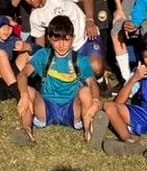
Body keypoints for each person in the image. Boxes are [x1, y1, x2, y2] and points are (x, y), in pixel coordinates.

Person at [12, 16, 101, 147]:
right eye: (56, 40)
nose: (61, 45)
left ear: (73, 38)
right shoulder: (43, 55)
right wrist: (24, 95)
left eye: (66, 40)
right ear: (49, 39)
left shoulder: (80, 59)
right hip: (45, 108)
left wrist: (96, 101)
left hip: (72, 108)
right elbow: (22, 74)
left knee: (86, 91)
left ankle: (89, 131)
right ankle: (26, 131)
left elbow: (92, 82)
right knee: (29, 91)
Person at [18, 0, 101, 52]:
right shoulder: (34, 16)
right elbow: (40, 43)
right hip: (66, 51)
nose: (32, 0)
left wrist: (89, 21)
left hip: (86, 38)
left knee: (94, 65)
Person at [0, 17, 33, 104]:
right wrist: (4, 20)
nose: (6, 30)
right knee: (1, 53)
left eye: (9, 26)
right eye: (2, 26)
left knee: (27, 54)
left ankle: (35, 87)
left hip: (10, 79)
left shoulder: (13, 40)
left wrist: (27, 47)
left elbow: (38, 48)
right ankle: (18, 95)